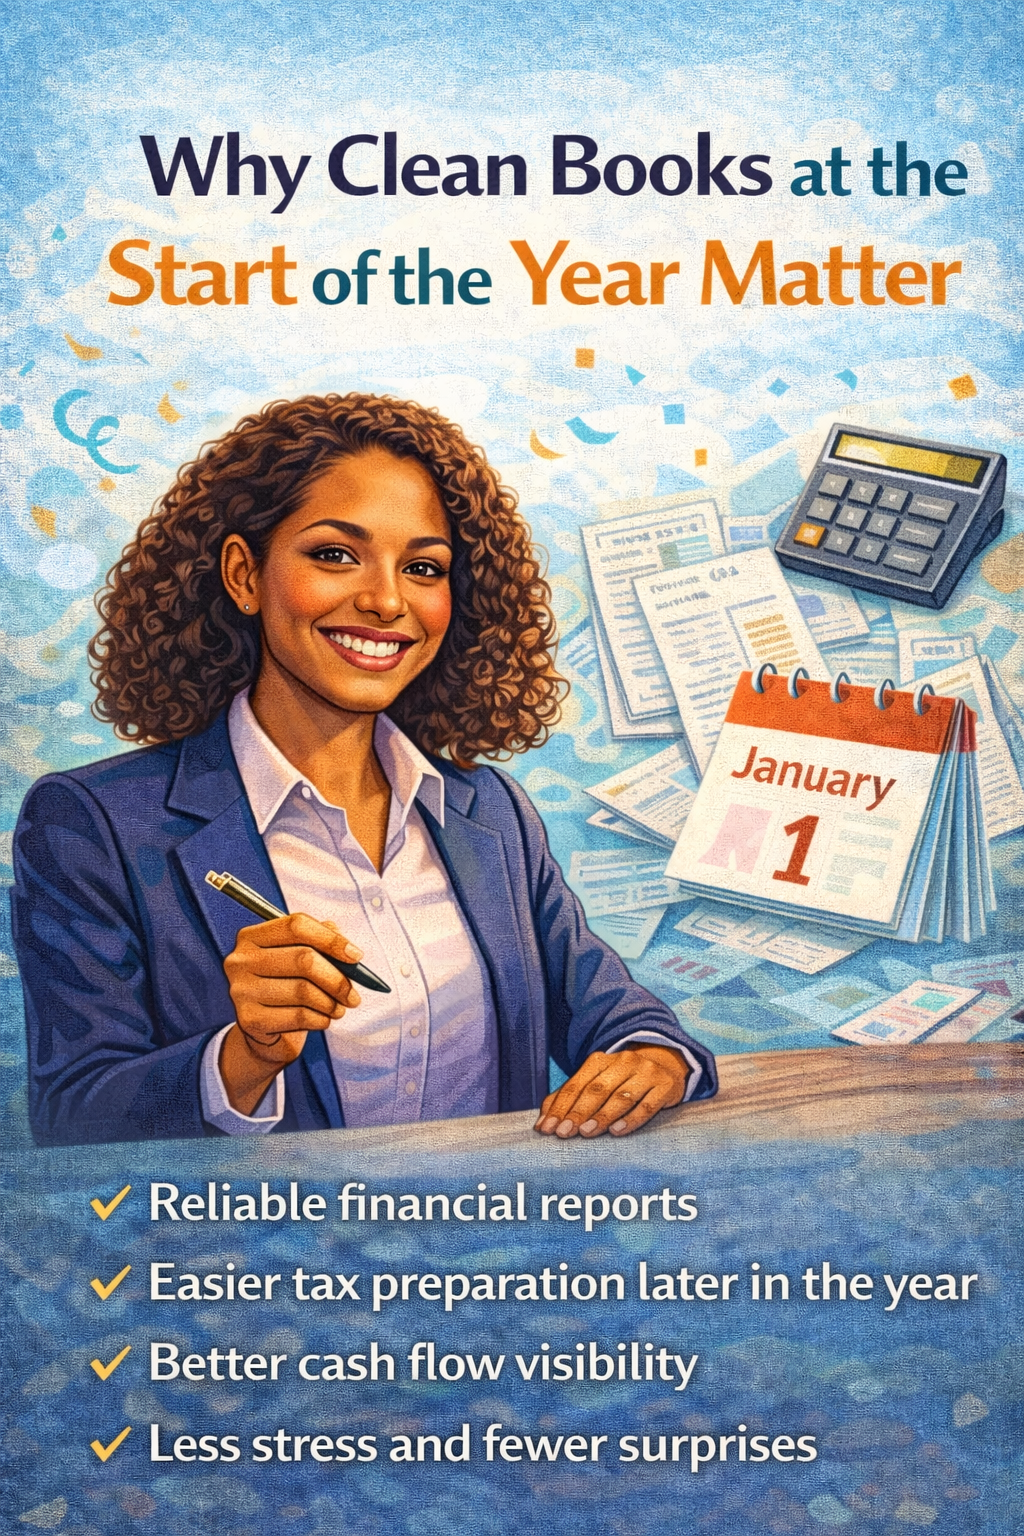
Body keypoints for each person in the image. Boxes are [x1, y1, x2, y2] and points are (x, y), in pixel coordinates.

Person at [12, 393, 717, 1146]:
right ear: (244, 575)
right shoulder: (94, 825)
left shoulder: (488, 811)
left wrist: (651, 1056)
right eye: (335, 554)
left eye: (422, 567)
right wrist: (242, 1056)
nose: (386, 601)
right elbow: (71, 1117)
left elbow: (609, 1009)